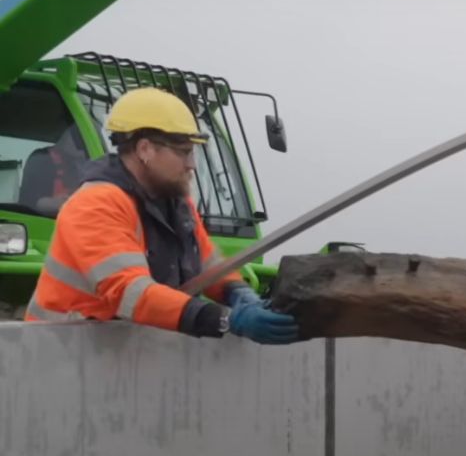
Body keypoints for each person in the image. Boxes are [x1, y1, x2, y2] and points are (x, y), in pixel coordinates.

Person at [23, 87, 300, 344]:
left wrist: (238, 293)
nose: (191, 164)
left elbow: (207, 265)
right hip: (58, 353)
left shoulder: (175, 204)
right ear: (145, 149)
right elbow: (130, 292)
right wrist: (226, 319)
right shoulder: (96, 204)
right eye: (183, 152)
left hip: (114, 354)